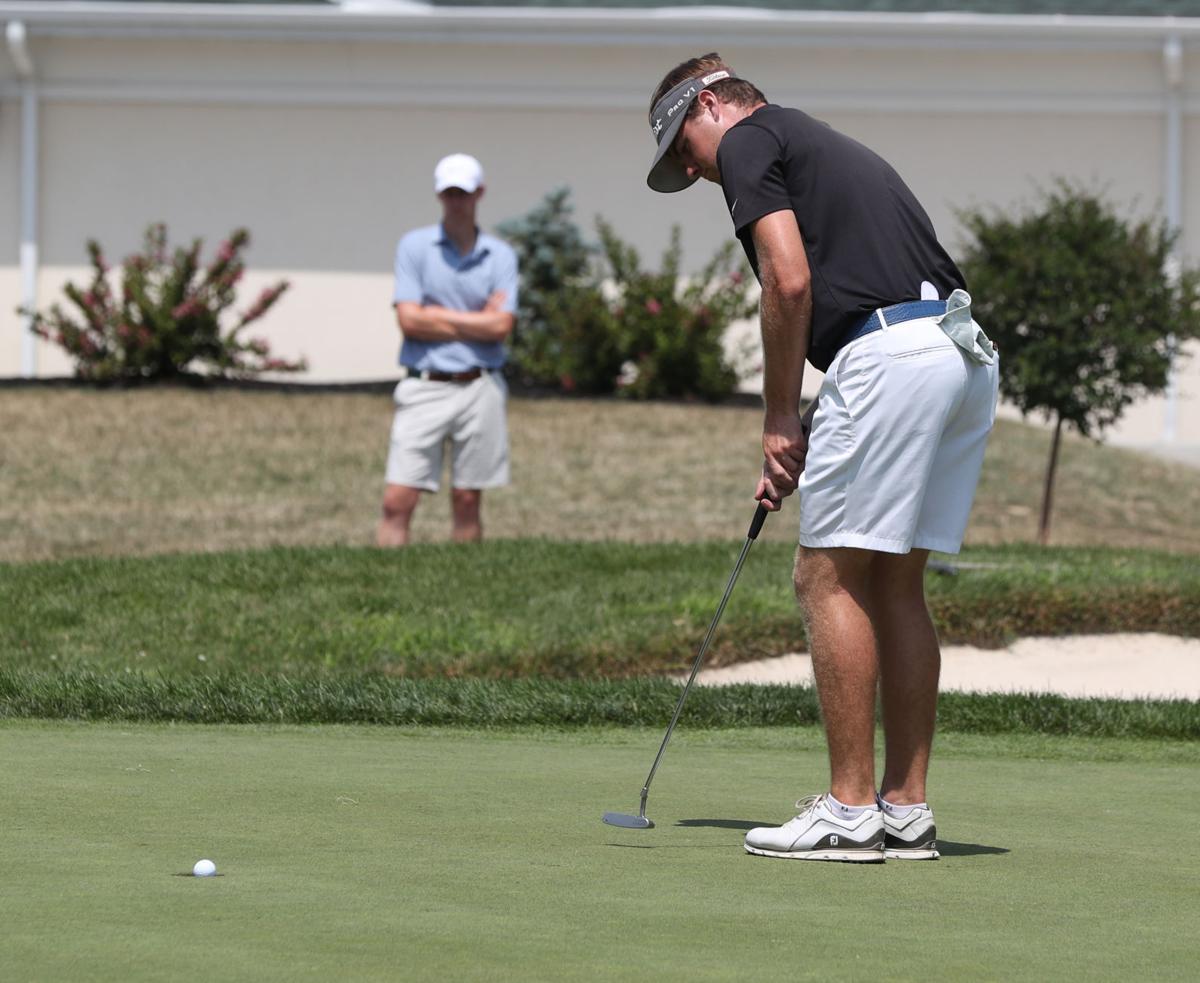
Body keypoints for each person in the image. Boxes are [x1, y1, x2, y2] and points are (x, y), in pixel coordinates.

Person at [646, 54, 999, 862]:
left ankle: (848, 810)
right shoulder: (816, 139)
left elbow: (789, 281)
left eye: (682, 148)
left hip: (894, 357)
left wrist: (778, 417)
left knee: (824, 573)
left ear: (710, 105)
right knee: (895, 575)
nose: (692, 169)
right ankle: (903, 809)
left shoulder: (747, 141)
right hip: (958, 351)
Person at [377, 153, 518, 547]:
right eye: (450, 193)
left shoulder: (500, 255)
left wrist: (435, 314)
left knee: (468, 496)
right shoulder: (415, 247)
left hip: (480, 385)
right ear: (440, 196)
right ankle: (383, 581)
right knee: (398, 498)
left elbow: (502, 326)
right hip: (425, 384)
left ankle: (465, 586)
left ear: (479, 194)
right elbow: (409, 321)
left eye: (464, 193)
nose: (456, 201)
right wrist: (477, 321)